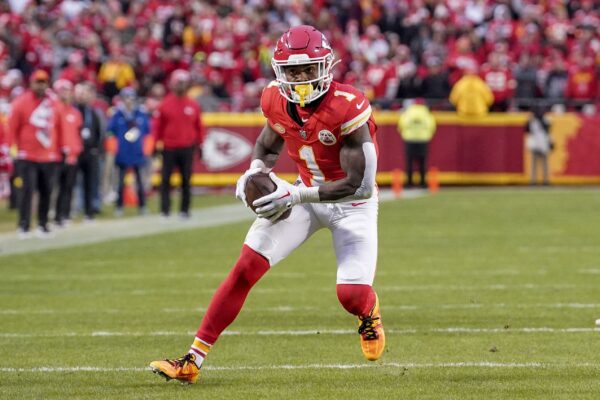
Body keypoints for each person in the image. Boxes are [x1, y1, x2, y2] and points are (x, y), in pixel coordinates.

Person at [150, 25, 384, 384]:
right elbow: (267, 144)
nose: (300, 78)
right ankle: (192, 360)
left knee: (351, 295)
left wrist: (296, 195)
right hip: (303, 193)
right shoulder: (275, 98)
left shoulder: (347, 105)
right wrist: (255, 171)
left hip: (351, 204)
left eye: (307, 69)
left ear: (325, 66)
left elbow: (360, 185)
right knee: (246, 267)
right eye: (292, 71)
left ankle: (368, 312)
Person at [7, 70, 62, 238]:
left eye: (43, 82)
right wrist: (13, 149)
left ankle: (43, 224)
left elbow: (58, 127)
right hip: (27, 155)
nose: (41, 85)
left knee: (47, 191)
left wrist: (59, 149)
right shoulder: (21, 102)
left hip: (48, 155)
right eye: (38, 82)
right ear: (31, 83)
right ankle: (24, 225)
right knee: (27, 191)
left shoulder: (53, 103)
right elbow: (12, 127)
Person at [153, 69, 204, 219]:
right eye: (179, 83)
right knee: (165, 179)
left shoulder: (193, 104)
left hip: (187, 147)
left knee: (186, 180)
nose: (181, 86)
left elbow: (199, 126)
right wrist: (155, 144)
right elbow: (158, 127)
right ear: (173, 84)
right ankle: (165, 210)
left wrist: (200, 145)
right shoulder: (165, 104)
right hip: (169, 147)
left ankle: (184, 210)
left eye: (183, 83)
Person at [107, 87, 150, 216]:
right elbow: (110, 131)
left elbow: (147, 131)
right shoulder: (117, 114)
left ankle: (142, 206)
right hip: (123, 152)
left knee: (140, 181)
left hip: (137, 151)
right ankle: (119, 206)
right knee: (120, 182)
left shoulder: (141, 113)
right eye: (126, 97)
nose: (129, 100)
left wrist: (145, 149)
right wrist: (114, 148)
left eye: (131, 97)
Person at [52, 79, 83, 226]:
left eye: (68, 91)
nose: (66, 94)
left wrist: (76, 150)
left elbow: (76, 133)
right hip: (57, 155)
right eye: (63, 91)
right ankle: (53, 213)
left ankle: (64, 214)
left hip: (72, 155)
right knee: (54, 187)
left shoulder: (75, 112)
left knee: (68, 186)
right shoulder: (54, 110)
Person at [75, 82, 104, 221]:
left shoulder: (93, 112)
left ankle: (90, 210)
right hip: (76, 152)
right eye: (82, 93)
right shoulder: (73, 111)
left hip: (90, 153)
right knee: (72, 183)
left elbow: (99, 132)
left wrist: (97, 149)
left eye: (86, 93)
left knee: (90, 182)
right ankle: (73, 209)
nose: (84, 96)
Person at [397, 99, 436, 188]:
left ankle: (409, 183)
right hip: (423, 140)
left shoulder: (408, 112)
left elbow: (401, 125)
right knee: (422, 162)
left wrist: (404, 135)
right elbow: (432, 126)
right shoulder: (426, 113)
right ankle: (423, 182)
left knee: (409, 162)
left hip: (409, 139)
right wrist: (428, 136)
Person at [526, 106, 553, 185]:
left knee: (544, 163)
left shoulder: (545, 119)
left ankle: (545, 180)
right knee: (534, 163)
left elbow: (548, 129)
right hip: (535, 142)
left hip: (543, 142)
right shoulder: (532, 120)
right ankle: (533, 180)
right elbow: (527, 130)